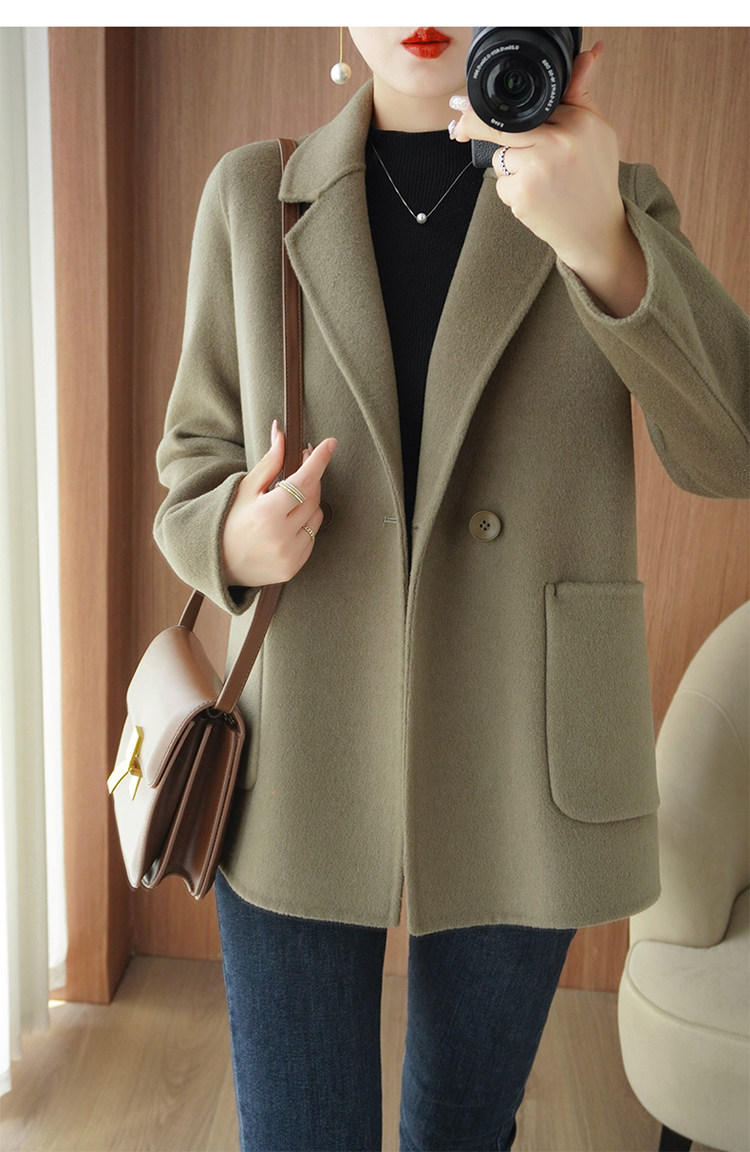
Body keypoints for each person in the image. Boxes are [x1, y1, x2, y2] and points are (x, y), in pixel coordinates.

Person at [153, 27, 749, 1152]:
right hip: (300, 749)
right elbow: (192, 458)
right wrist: (231, 537)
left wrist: (602, 241)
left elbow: (731, 450)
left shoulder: (611, 199)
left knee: (462, 1131)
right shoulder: (252, 195)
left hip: (525, 745)